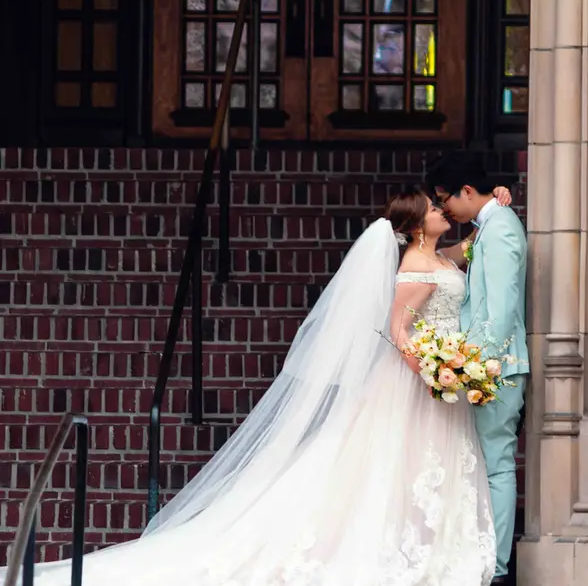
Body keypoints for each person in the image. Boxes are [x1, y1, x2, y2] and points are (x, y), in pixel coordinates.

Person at [3, 185, 511, 586]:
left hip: (442, 381)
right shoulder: (414, 266)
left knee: (422, 469)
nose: (444, 209)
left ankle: (432, 544)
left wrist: (493, 208)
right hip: (415, 383)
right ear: (416, 224)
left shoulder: (442, 257)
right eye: (434, 208)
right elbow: (399, 330)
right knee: (394, 468)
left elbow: (465, 254)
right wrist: (433, 369)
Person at [430, 161, 529, 586]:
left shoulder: (502, 227)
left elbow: (503, 307)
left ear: (466, 190)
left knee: (497, 466)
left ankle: (500, 570)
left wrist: (481, 366)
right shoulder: (489, 224)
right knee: (484, 465)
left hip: (496, 368)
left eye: (445, 198)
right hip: (482, 367)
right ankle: (485, 558)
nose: (445, 208)